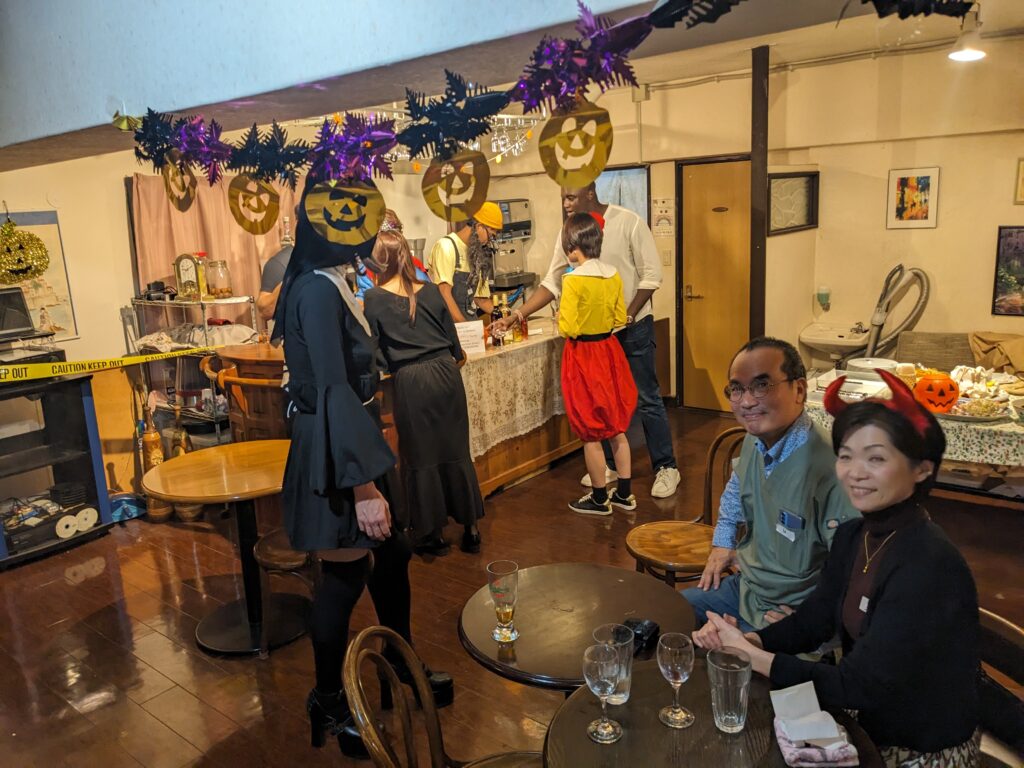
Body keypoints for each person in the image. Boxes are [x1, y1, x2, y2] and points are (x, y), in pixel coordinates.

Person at [693, 370, 981, 767]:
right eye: (846, 455)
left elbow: (859, 685)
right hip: (863, 723)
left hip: (916, 748)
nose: (855, 472)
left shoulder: (929, 565)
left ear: (921, 469)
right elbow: (814, 619)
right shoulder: (854, 535)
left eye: (876, 458)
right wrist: (751, 640)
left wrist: (751, 656)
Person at [272, 196, 452, 759]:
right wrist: (364, 487)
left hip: (354, 437)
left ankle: (397, 660)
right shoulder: (316, 289)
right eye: (361, 226)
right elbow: (332, 388)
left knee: (393, 554)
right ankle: (328, 699)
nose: (371, 235)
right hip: (336, 445)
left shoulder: (330, 279)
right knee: (345, 576)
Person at [491, 183, 680, 498]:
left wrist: (625, 317)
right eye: (563, 197)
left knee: (647, 398)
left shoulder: (629, 221)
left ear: (590, 194)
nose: (566, 203)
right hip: (598, 339)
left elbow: (651, 276)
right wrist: (517, 315)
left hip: (633, 327)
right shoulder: (569, 232)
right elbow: (552, 282)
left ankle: (666, 467)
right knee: (602, 403)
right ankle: (609, 468)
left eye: (571, 197)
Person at [682, 337, 859, 631]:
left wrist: (812, 621)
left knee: (727, 656)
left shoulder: (832, 471)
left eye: (761, 385)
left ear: (799, 390)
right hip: (748, 589)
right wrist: (723, 542)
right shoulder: (754, 440)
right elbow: (736, 490)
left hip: (793, 611)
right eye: (737, 389)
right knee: (674, 611)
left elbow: (854, 570)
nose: (747, 401)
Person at [363, 229, 484, 556]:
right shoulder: (429, 291)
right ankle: (471, 528)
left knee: (422, 457)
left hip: (412, 380)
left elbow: (374, 354)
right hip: (446, 374)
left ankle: (432, 534)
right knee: (456, 452)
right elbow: (455, 345)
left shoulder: (374, 298)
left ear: (378, 262)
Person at [557, 212, 638, 515]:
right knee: (616, 427)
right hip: (610, 351)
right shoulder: (612, 274)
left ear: (572, 245)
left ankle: (600, 498)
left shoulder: (572, 279)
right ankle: (625, 494)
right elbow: (619, 318)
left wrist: (560, 318)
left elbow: (568, 327)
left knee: (590, 432)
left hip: (584, 355)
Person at [427, 202, 501, 323]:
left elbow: (480, 299)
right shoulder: (446, 247)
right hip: (448, 324)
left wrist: (506, 317)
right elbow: (444, 292)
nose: (489, 241)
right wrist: (465, 327)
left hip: (469, 321)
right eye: (491, 236)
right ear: (479, 227)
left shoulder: (477, 254)